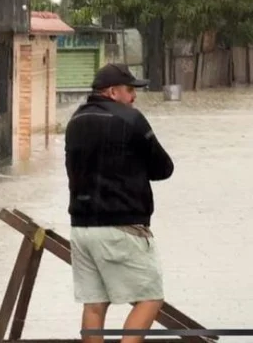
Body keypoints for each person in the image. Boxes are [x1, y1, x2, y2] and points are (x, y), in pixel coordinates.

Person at [65, 63, 175, 343]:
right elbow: (163, 168)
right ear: (113, 92)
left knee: (94, 304)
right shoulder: (131, 119)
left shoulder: (75, 121)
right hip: (121, 228)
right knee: (150, 298)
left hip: (81, 229)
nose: (134, 97)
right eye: (130, 90)